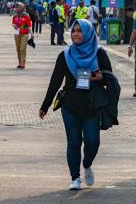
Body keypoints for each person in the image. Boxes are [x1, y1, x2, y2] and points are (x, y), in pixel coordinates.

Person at [39, 19, 113, 191]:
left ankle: (87, 164)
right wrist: (45, 105)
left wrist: (99, 78)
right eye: (73, 31)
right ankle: (75, 178)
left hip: (92, 106)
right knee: (73, 143)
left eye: (79, 31)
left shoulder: (99, 54)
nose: (76, 34)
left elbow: (110, 78)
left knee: (92, 141)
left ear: (87, 33)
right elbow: (55, 82)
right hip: (70, 106)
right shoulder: (65, 56)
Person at [12, 2, 33, 69]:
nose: (17, 8)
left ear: (22, 8)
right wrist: (14, 25)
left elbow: (29, 26)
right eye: (16, 7)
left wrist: (32, 34)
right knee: (18, 49)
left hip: (24, 34)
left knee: (22, 48)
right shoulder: (15, 15)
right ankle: (19, 61)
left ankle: (23, 62)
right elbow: (13, 23)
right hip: (17, 34)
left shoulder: (26, 15)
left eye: (19, 7)